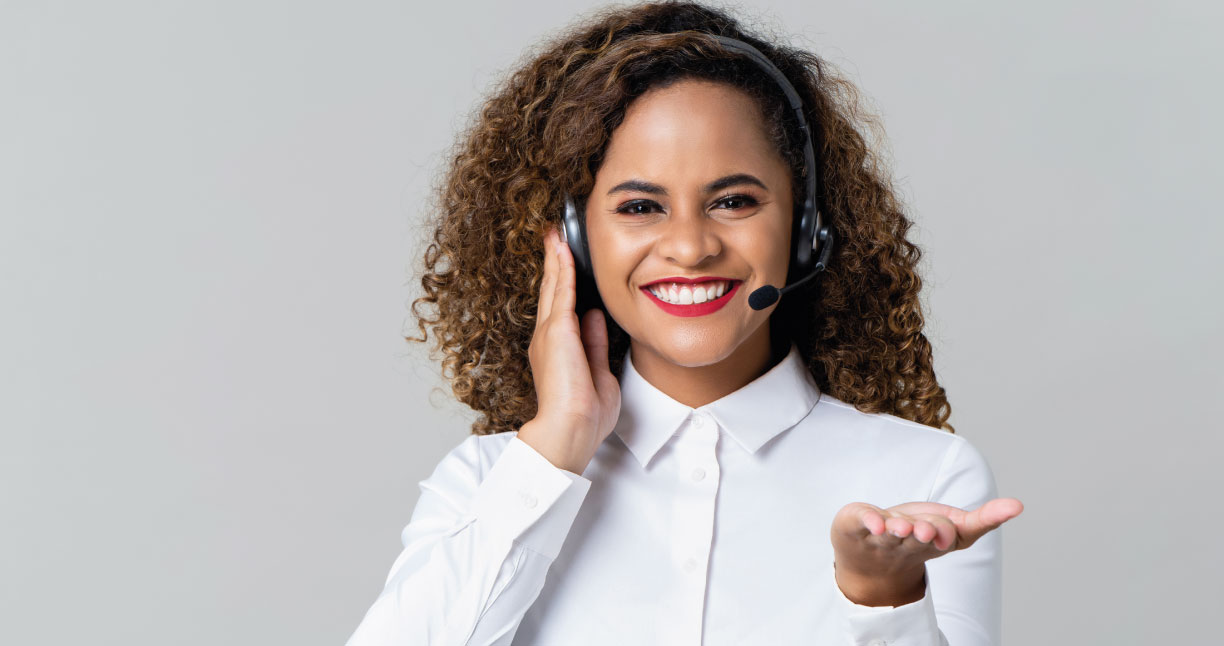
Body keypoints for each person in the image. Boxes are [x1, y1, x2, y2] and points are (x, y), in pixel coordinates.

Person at [348, 2, 1022, 644]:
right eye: (640, 207)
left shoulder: (925, 481)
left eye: (733, 200)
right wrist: (554, 451)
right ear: (576, 242)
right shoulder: (487, 482)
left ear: (807, 229)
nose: (691, 246)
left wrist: (884, 595)